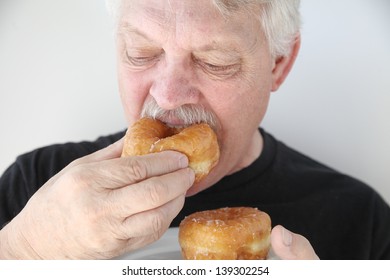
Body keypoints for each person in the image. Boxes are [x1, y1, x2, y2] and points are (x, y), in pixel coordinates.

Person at [0, 0, 389, 260]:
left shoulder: (360, 221)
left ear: (279, 64)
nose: (168, 97)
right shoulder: (36, 183)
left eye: (214, 61)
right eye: (142, 53)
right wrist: (24, 250)